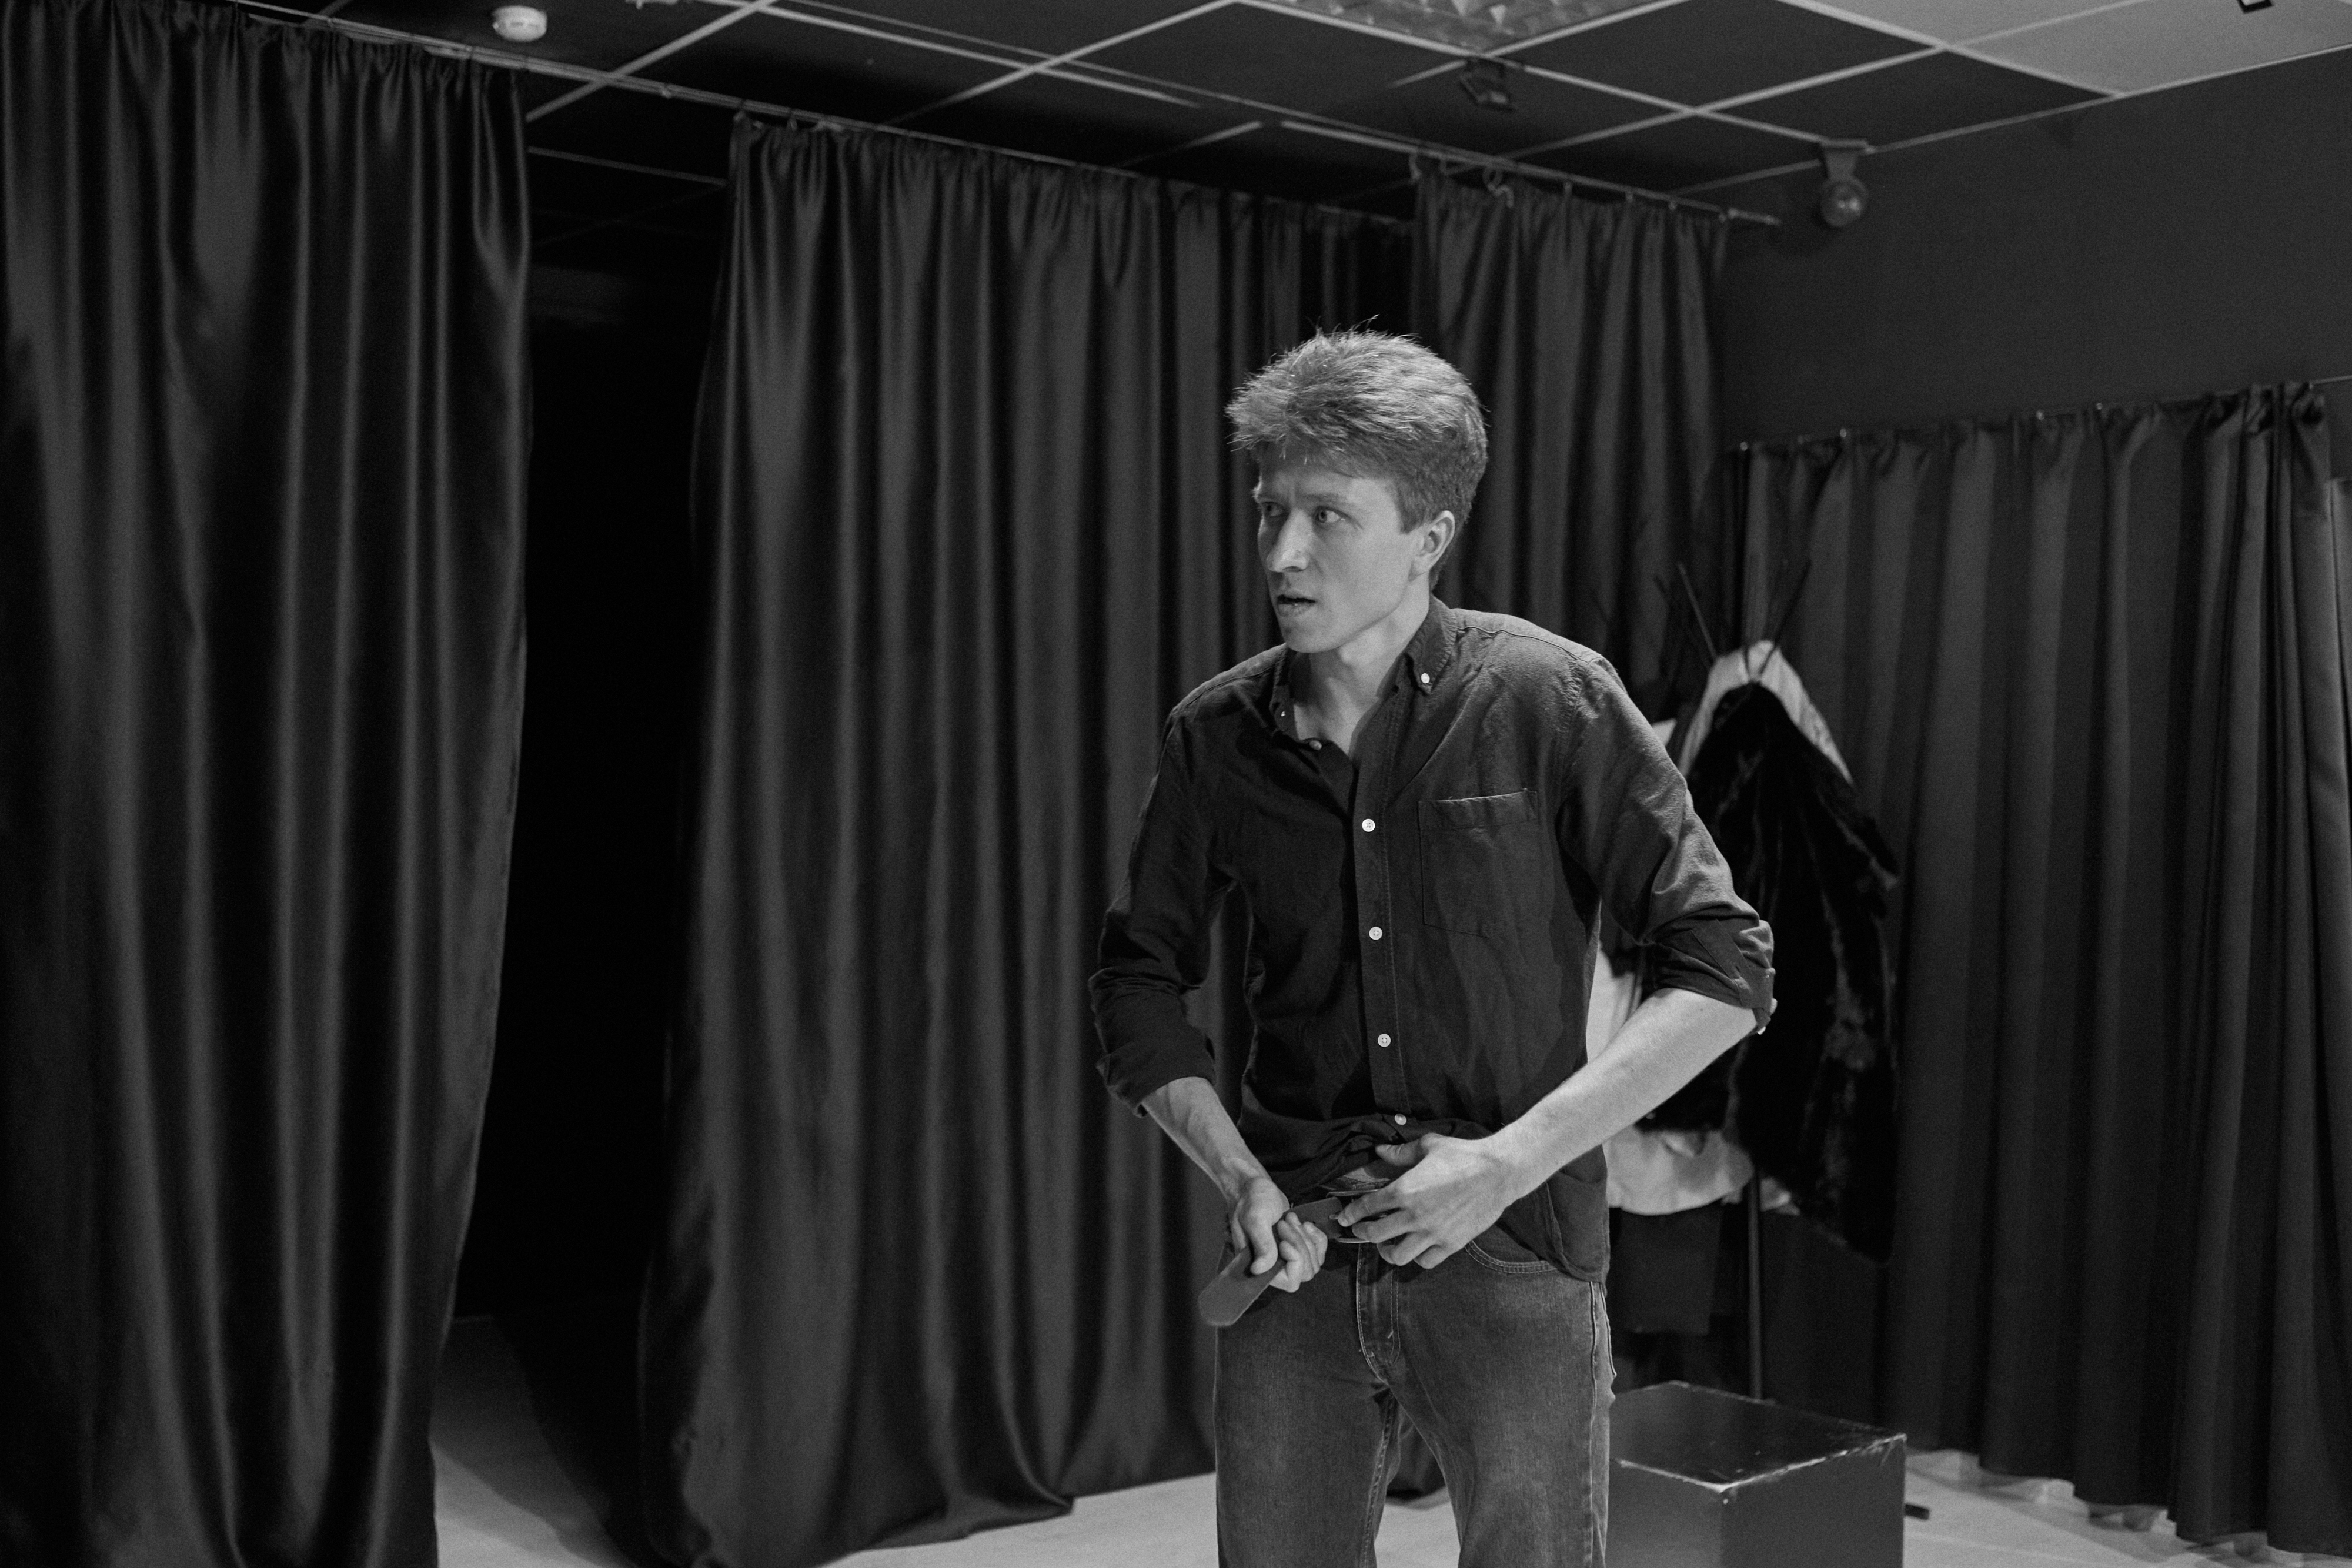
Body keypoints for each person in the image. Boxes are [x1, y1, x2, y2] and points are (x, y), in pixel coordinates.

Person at [1089, 329, 1773, 1568]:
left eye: (1327, 517)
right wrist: (1237, 1175)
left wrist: (1505, 1163)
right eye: (1270, 510)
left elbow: (1724, 965)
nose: (1282, 552)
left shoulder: (1551, 698)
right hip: (1294, 1258)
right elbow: (1134, 980)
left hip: (1513, 1249)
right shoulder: (1214, 736)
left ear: (1428, 535)